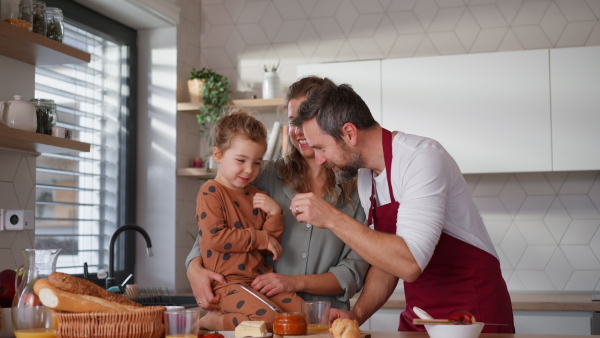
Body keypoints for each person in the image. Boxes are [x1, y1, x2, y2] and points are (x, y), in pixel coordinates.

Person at [289, 80, 515, 333]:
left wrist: (331, 218)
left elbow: (409, 263)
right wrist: (356, 315)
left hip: (471, 313)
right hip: (421, 315)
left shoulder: (422, 158)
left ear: (350, 133)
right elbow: (387, 260)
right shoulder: (366, 177)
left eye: (321, 147)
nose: (319, 160)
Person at [186, 77, 370, 327]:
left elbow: (353, 271)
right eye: (295, 121)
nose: (300, 131)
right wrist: (193, 268)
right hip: (258, 316)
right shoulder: (261, 175)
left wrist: (294, 283)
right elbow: (210, 234)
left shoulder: (359, 188)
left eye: (309, 119)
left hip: (322, 321)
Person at [193, 109, 304, 331]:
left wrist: (274, 214)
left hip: (257, 281)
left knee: (303, 316)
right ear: (218, 155)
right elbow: (216, 238)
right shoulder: (210, 191)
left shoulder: (255, 195)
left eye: (256, 163)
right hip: (227, 284)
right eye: (241, 160)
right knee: (269, 322)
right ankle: (216, 320)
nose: (249, 170)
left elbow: (268, 247)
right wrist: (260, 237)